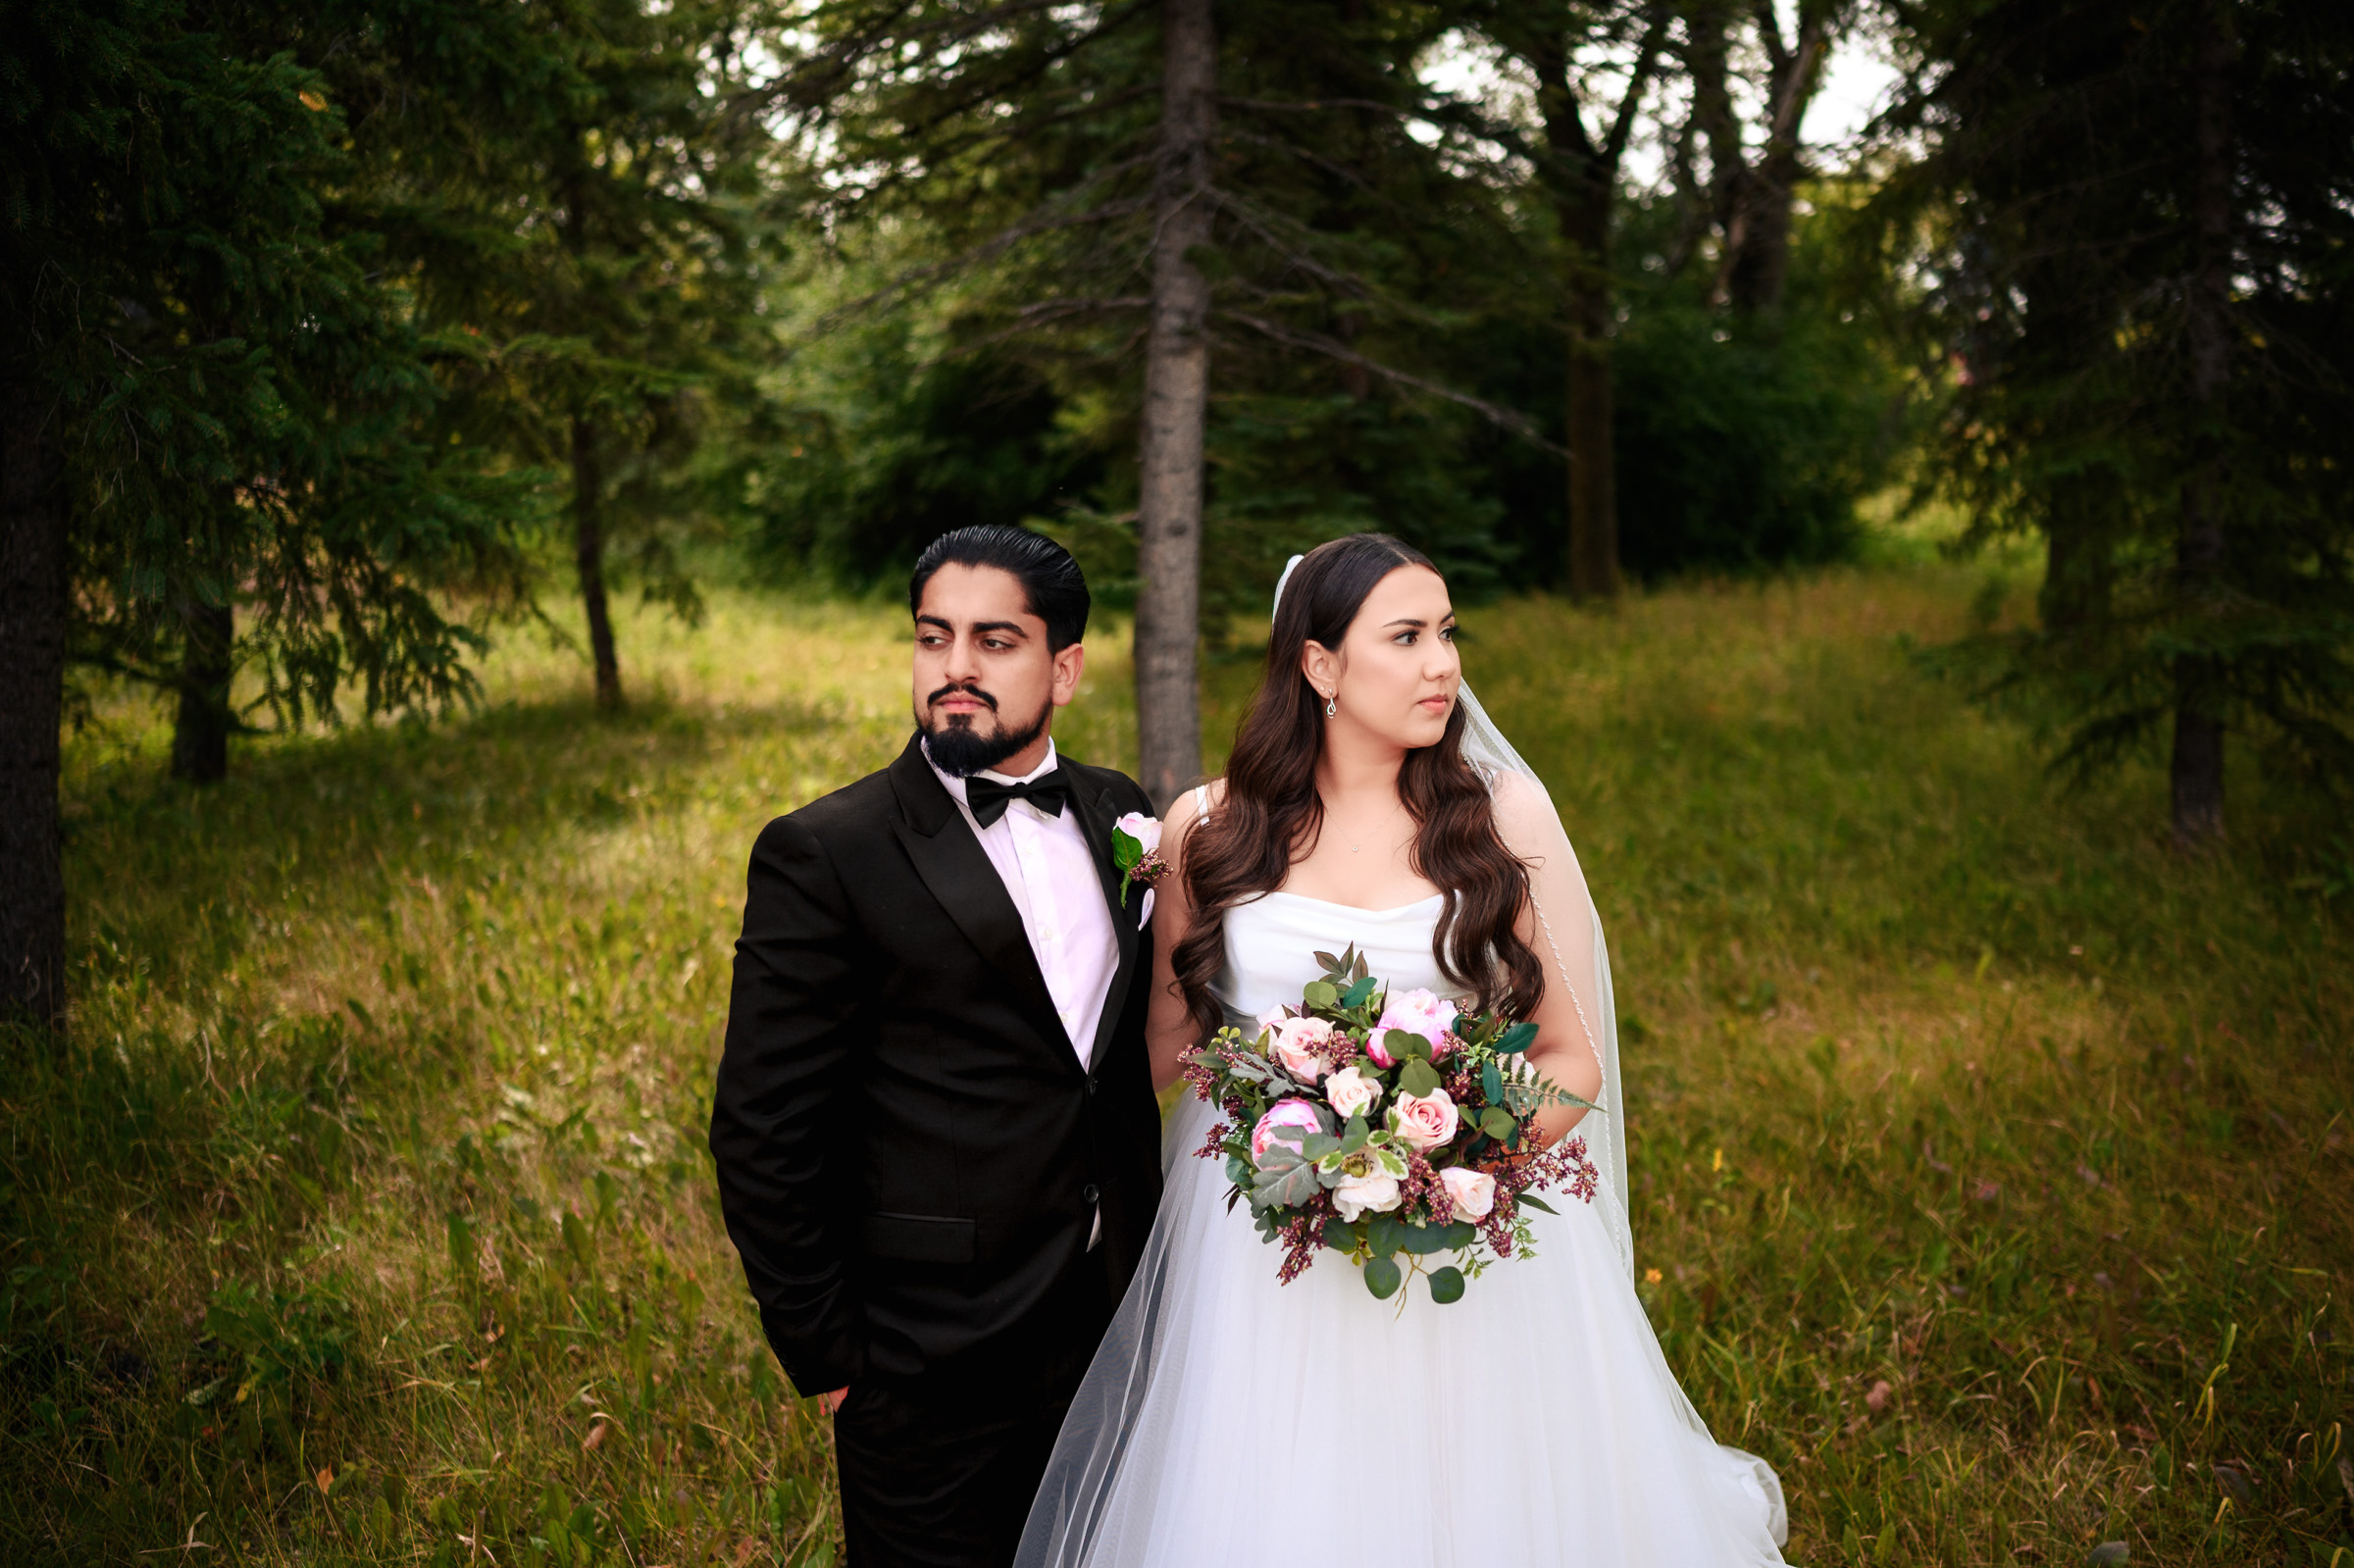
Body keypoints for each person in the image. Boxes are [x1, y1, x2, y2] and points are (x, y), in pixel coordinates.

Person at [1016, 533, 1790, 1567]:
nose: (1443, 665)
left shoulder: (1502, 818)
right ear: (1321, 664)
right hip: (1259, 1270)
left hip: (1466, 1248)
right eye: (1408, 636)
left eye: (1448, 633)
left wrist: (1449, 1164)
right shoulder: (1209, 829)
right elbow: (1164, 1053)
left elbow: (1573, 1055)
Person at [710, 526, 1165, 1568]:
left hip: (1105, 1328)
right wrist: (828, 1355)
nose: (955, 668)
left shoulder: (1122, 814)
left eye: (994, 640)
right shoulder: (827, 851)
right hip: (924, 1358)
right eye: (933, 636)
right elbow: (760, 1126)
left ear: (1066, 667)